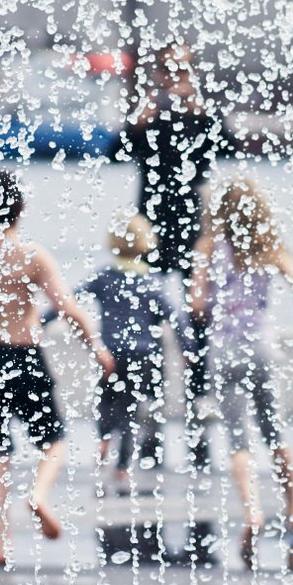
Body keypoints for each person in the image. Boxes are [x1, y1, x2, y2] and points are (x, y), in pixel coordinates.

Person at [0, 170, 113, 567]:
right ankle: (37, 494)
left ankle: (2, 545)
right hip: (23, 355)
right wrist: (96, 348)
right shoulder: (32, 257)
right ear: (20, 209)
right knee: (54, 439)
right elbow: (68, 308)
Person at [189, 178, 293, 570]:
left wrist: (211, 301)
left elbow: (197, 306)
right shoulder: (269, 250)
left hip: (224, 350)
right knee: (274, 431)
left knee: (237, 439)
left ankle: (252, 514)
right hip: (260, 348)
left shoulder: (208, 249)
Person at [118, 44, 224, 472]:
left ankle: (198, 403)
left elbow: (219, 153)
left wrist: (200, 110)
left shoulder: (201, 116)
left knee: (196, 320)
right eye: (168, 69)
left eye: (182, 69)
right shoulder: (151, 114)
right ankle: (152, 407)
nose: (174, 77)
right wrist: (139, 117)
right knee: (149, 320)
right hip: (150, 229)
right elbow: (118, 151)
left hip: (192, 228)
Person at [81, 214, 176, 495]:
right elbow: (176, 317)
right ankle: (122, 466)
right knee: (131, 410)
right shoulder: (153, 281)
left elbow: (69, 299)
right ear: (146, 243)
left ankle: (103, 440)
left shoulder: (104, 276)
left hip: (110, 354)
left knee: (105, 399)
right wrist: (190, 348)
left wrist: (41, 320)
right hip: (143, 355)